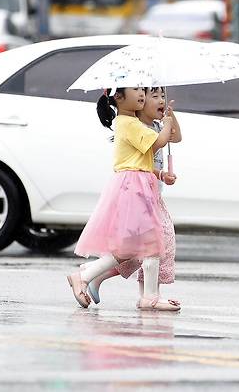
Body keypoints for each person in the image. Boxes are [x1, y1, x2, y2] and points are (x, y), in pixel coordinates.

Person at [66, 87, 179, 311]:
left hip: (141, 184)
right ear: (118, 97)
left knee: (141, 247)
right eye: (136, 90)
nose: (140, 94)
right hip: (135, 188)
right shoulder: (127, 123)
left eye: (141, 90)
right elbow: (158, 143)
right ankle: (145, 296)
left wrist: (159, 174)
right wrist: (166, 124)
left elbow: (141, 161)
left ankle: (89, 276)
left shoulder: (130, 123)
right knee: (148, 245)